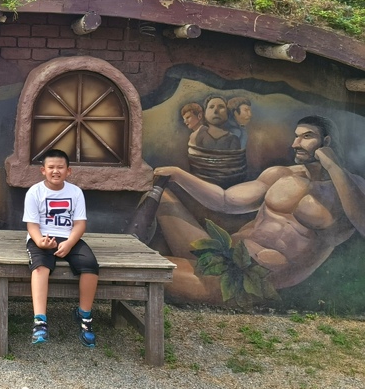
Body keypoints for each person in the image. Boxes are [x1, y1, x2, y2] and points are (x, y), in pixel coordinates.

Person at [152, 115, 365, 303]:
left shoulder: (350, 189)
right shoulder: (281, 174)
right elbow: (225, 201)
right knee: (161, 196)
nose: (295, 144)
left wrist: (333, 166)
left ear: (326, 142)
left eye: (306, 137)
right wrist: (178, 175)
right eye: (296, 136)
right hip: (221, 254)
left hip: (245, 281)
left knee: (148, 271)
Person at [23, 149, 99, 347]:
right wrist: (40, 242)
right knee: (40, 268)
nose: (55, 171)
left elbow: (80, 224)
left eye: (60, 167)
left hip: (69, 237)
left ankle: (85, 315)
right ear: (43, 170)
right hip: (42, 237)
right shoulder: (35, 192)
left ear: (68, 171)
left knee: (90, 265)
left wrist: (70, 243)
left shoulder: (75, 192)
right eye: (51, 167)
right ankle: (40, 321)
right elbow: (32, 225)